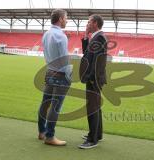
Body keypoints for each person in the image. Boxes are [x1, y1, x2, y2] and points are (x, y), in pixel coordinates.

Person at [37, 9, 72, 146]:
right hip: (60, 75)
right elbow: (64, 60)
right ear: (61, 19)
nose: (67, 20)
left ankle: (42, 132)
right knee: (55, 107)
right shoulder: (61, 36)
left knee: (45, 104)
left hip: (49, 72)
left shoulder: (46, 34)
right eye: (66, 18)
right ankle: (50, 136)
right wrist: (69, 74)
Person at [79, 14, 107, 149]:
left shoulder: (100, 37)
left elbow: (98, 61)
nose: (87, 24)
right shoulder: (95, 37)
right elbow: (87, 55)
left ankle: (92, 139)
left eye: (89, 21)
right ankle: (98, 134)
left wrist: (91, 78)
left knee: (92, 107)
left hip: (94, 79)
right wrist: (85, 36)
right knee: (95, 106)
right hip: (94, 78)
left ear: (95, 23)